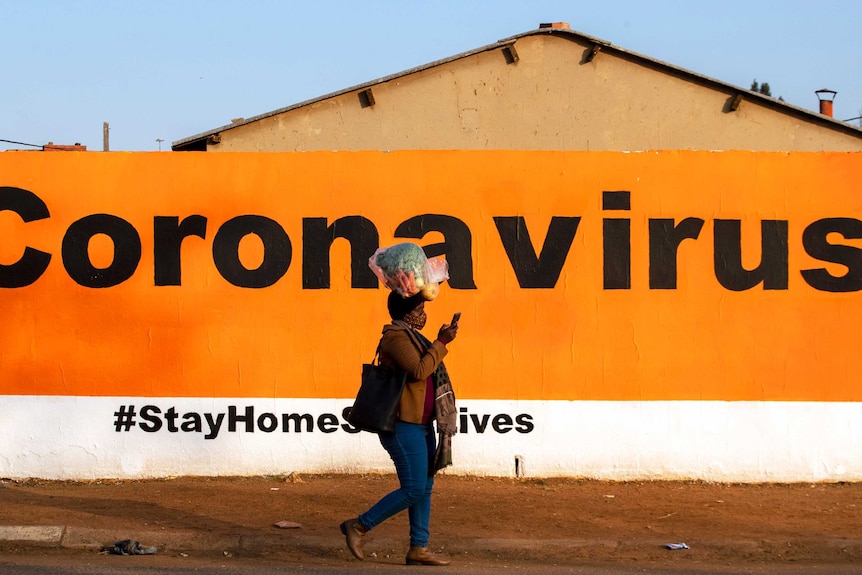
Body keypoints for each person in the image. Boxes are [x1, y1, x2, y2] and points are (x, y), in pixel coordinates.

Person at [340, 290, 459, 566]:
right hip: (402, 425)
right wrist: (441, 342)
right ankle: (358, 526)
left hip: (421, 424)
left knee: (424, 487)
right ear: (405, 313)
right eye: (418, 309)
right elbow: (419, 370)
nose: (422, 314)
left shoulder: (414, 336)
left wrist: (439, 342)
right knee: (414, 489)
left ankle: (419, 547)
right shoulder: (395, 337)